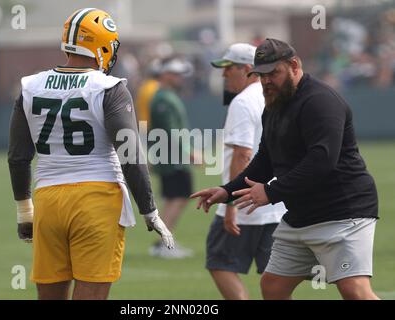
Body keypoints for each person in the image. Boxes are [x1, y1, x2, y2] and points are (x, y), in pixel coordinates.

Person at [191, 38, 379, 300]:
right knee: (273, 286)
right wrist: (228, 191)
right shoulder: (274, 106)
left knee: (354, 290)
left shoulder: (320, 101)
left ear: (293, 65)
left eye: (273, 73)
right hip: (302, 215)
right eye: (261, 75)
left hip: (343, 212)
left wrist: (271, 191)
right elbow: (265, 160)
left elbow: (321, 161)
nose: (266, 81)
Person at [7, 8, 174, 300]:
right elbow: (130, 153)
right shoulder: (108, 87)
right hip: (97, 199)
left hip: (47, 200)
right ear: (103, 46)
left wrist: (25, 211)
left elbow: (18, 156)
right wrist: (149, 210)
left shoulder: (30, 86)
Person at [207, 43, 285, 300]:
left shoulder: (242, 102)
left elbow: (242, 155)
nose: (223, 75)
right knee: (274, 279)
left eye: (229, 68)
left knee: (219, 262)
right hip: (275, 201)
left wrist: (230, 203)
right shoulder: (275, 96)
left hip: (245, 203)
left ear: (248, 69)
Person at [148, 56, 195, 259]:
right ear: (165, 75)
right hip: (171, 158)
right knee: (179, 197)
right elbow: (170, 130)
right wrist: (189, 151)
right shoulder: (163, 98)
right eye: (175, 74)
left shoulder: (166, 96)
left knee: (175, 198)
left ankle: (163, 242)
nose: (180, 78)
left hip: (171, 156)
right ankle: (163, 244)